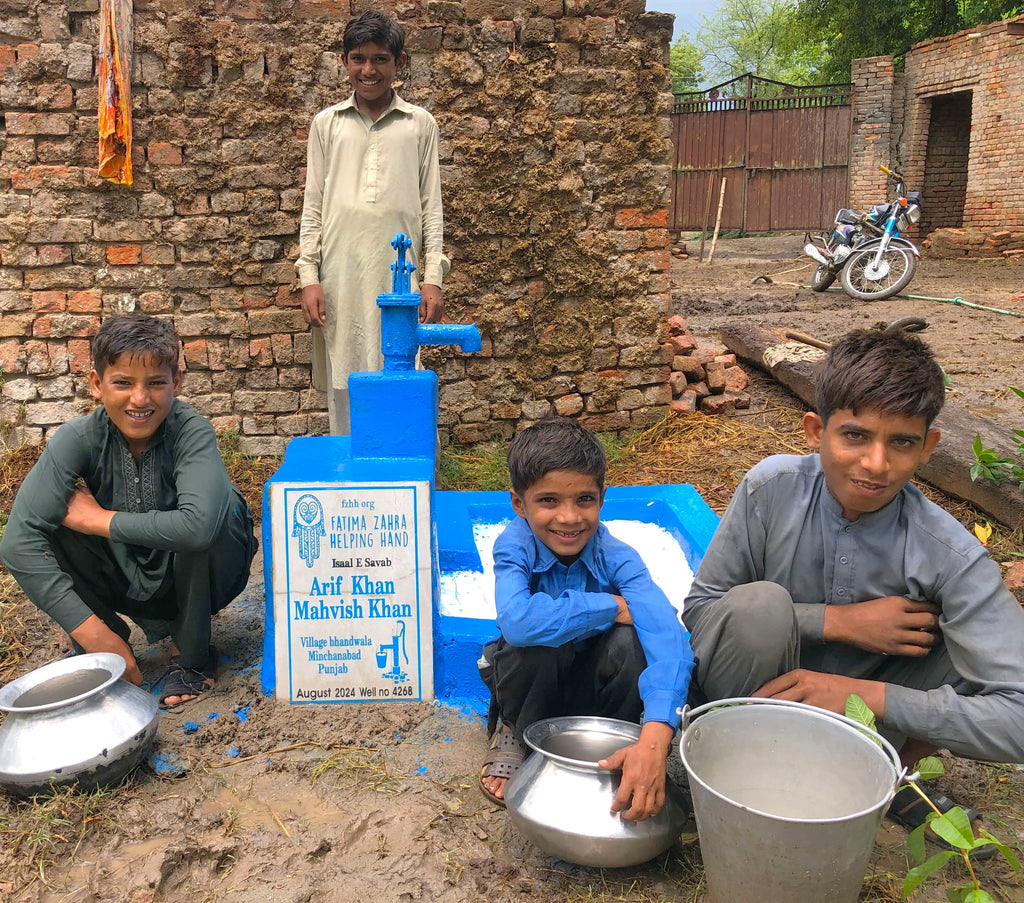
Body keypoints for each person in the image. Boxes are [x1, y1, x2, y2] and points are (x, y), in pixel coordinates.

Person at [683, 326, 1024, 849]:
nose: (875, 464)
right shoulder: (769, 489)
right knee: (757, 606)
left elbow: (1018, 717)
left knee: (966, 643)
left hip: (867, 727)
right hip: (754, 700)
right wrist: (836, 622)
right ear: (815, 429)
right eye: (855, 436)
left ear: (929, 447)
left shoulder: (949, 555)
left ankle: (883, 773)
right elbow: (702, 609)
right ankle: (728, 768)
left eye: (902, 442)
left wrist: (863, 696)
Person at [0, 314, 258, 708]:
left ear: (177, 384)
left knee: (216, 512)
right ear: (96, 384)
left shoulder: (191, 431)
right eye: (123, 382)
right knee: (51, 519)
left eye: (156, 382)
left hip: (201, 578)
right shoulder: (77, 439)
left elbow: (199, 528)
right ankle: (106, 642)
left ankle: (191, 653)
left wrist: (97, 520)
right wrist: (93, 633)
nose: (140, 399)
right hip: (121, 579)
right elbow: (18, 543)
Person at [478, 418, 694, 820]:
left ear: (602, 497)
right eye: (548, 501)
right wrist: (608, 607)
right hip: (534, 683)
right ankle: (514, 730)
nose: (569, 517)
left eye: (584, 499)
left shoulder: (617, 555)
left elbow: (668, 635)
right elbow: (518, 621)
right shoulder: (514, 544)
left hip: (592, 689)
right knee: (535, 643)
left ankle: (617, 744)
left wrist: (658, 731)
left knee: (634, 645)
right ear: (518, 504)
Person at [296, 10, 447, 435]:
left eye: (380, 59)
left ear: (399, 63)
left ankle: (401, 472)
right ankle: (352, 476)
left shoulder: (419, 124)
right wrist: (309, 276)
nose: (369, 70)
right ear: (344, 61)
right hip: (341, 275)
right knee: (345, 373)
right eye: (358, 58)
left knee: (401, 369)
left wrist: (432, 276)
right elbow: (314, 206)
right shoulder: (327, 125)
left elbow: (430, 205)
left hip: (401, 277)